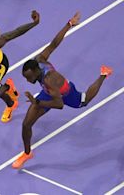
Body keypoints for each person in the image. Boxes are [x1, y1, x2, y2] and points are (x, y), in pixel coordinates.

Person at [12, 12, 113, 168]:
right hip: (48, 93)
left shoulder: (50, 80)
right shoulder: (39, 60)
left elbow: (59, 105)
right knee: (26, 124)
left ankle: (103, 74)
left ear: (36, 72)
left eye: (28, 77)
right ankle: (27, 153)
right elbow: (54, 44)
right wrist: (68, 24)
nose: (27, 81)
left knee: (84, 100)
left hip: (65, 94)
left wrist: (37, 101)